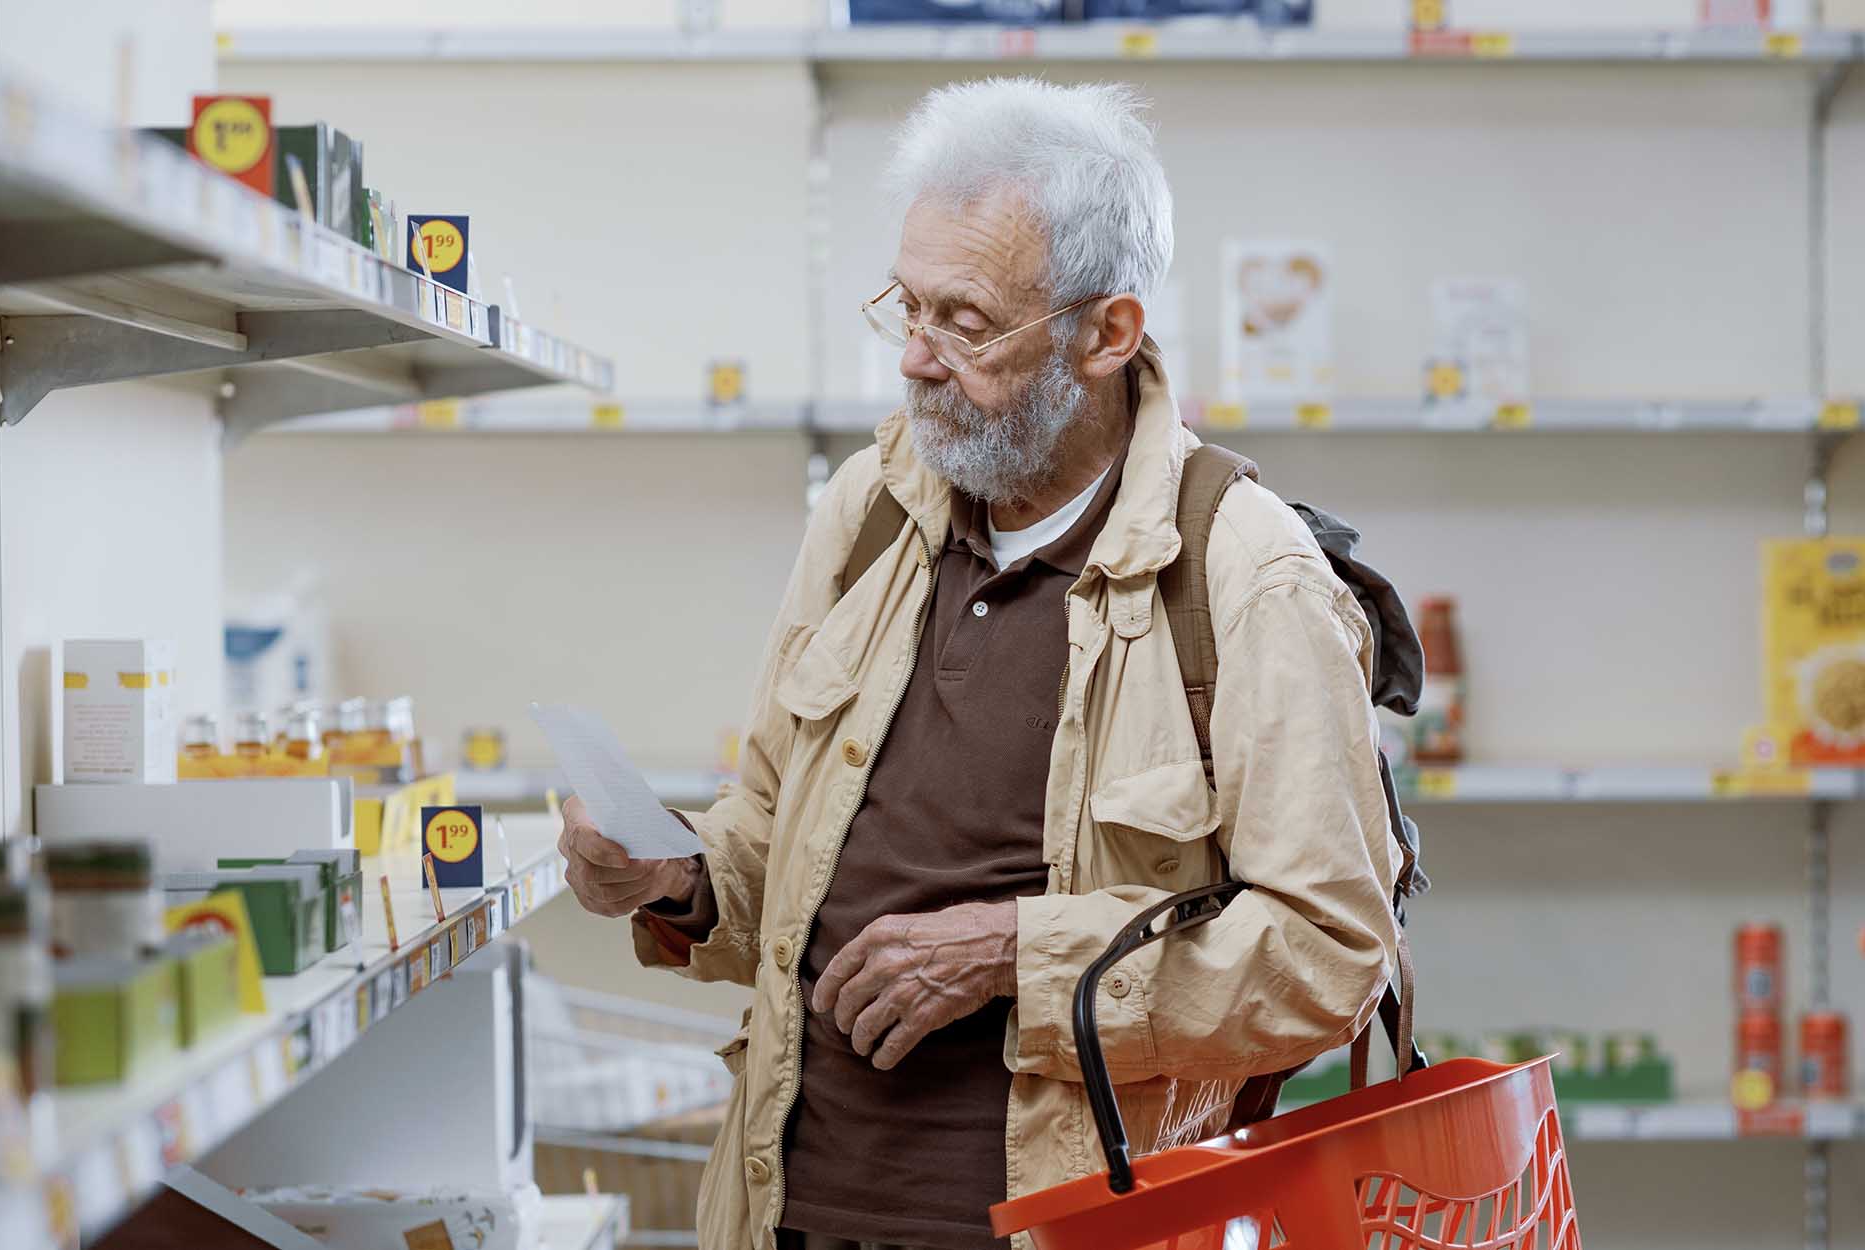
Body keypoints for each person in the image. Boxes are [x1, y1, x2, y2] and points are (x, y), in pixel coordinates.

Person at [559, 77, 1400, 1250]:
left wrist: (1017, 949)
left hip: (1064, 1224)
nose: (912, 360)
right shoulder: (867, 512)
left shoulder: (1245, 572)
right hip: (788, 1211)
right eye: (906, 307)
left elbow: (1328, 957)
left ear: (1106, 332)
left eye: (964, 322)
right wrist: (675, 878)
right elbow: (775, 854)